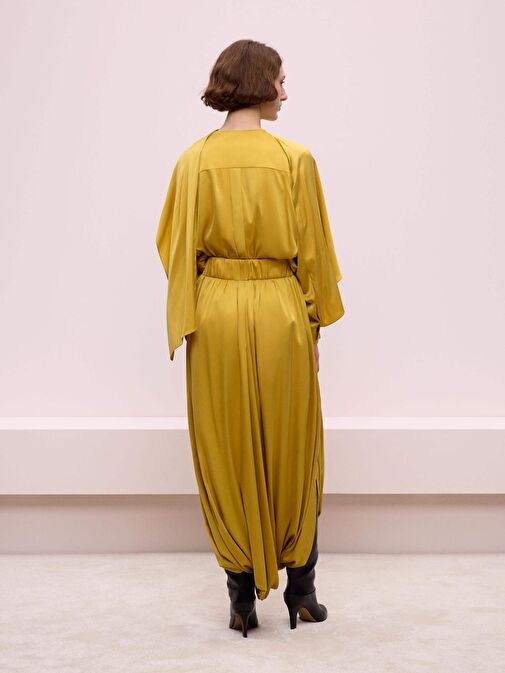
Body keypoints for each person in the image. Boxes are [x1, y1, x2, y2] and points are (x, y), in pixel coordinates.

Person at [156, 39, 345, 637]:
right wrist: (311, 325)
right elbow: (313, 254)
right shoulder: (295, 159)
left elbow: (174, 248)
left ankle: (240, 599)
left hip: (214, 310)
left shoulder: (192, 162)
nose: (286, 93)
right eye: (281, 81)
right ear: (259, 83)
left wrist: (201, 303)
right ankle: (303, 593)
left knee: (224, 442)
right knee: (296, 443)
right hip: (279, 308)